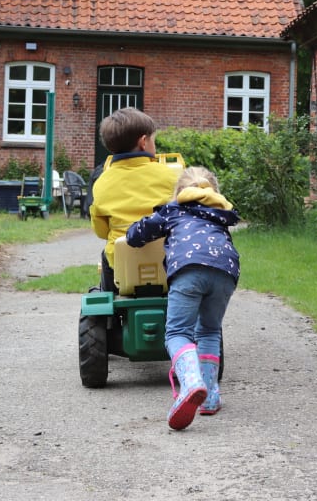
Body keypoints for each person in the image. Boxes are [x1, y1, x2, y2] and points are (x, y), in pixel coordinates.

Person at [126, 166, 240, 430]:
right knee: (210, 330)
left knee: (177, 332)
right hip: (226, 271)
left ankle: (190, 382)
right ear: (213, 192)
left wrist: (134, 234)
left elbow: (137, 234)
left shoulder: (173, 210)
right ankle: (209, 397)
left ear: (179, 192)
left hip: (188, 270)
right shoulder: (220, 214)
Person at [89, 107, 179, 292]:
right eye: (153, 139)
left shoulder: (102, 182)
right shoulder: (169, 176)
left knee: (107, 255)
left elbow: (101, 231)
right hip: (168, 261)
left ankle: (110, 309)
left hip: (122, 266)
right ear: (143, 142)